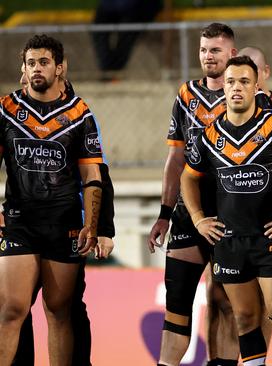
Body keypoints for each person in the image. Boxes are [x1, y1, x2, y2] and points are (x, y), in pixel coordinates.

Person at [181, 56, 272, 366]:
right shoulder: (210, 135)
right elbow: (188, 176)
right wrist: (198, 218)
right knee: (244, 319)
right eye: (231, 82)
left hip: (269, 239)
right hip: (229, 241)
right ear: (224, 88)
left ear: (256, 86)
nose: (236, 88)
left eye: (244, 82)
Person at [0, 34, 104, 364]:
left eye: (43, 62)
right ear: (23, 68)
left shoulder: (80, 114)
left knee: (59, 311)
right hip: (20, 222)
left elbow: (92, 177)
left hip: (65, 223)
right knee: (11, 309)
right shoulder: (6, 110)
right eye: (30, 63)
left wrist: (92, 223)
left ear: (60, 67)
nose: (36, 69)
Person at [147, 23, 239, 366]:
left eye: (214, 50)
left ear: (231, 53)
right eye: (202, 50)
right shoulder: (186, 95)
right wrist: (163, 213)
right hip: (189, 212)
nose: (207, 57)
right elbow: (175, 159)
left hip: (233, 214)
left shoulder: (251, 99)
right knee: (178, 304)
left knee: (228, 302)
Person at [91, 0, 163, 75]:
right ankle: (110, 71)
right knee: (101, 31)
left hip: (132, 9)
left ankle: (112, 72)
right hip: (115, 7)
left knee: (126, 34)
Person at [238, 46, 272, 120]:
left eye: (252, 72)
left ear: (266, 72)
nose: (245, 78)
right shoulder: (227, 110)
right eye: (239, 73)